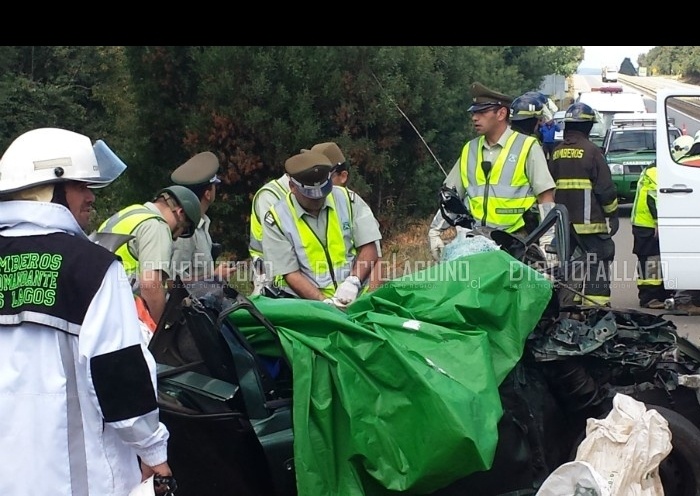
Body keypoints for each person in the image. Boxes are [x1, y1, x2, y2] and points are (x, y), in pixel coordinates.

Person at [0, 127, 172, 494]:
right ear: (48, 189)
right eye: (81, 185)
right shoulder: (94, 268)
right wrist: (155, 453)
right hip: (83, 477)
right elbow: (119, 374)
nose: (91, 197)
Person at [428, 82, 556, 262]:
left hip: (515, 244)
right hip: (474, 243)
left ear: (501, 113)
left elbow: (545, 198)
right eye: (473, 112)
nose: (474, 118)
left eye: (481, 112)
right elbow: (451, 198)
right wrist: (435, 232)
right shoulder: (469, 149)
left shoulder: (527, 147)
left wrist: (548, 243)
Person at [261, 151, 382, 305]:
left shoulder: (347, 199)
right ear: (292, 186)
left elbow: (370, 246)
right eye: (310, 194)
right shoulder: (277, 219)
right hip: (314, 308)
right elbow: (290, 273)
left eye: (323, 191)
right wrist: (324, 302)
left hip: (358, 299)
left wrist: (354, 281)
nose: (318, 198)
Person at [96, 184, 201, 330]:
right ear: (180, 212)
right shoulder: (156, 226)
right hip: (124, 318)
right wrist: (161, 330)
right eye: (183, 229)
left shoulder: (130, 213)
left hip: (100, 311)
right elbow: (151, 286)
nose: (176, 238)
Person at [549, 102, 619, 308]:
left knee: (569, 264)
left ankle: (570, 303)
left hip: (563, 224)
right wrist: (612, 214)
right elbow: (605, 188)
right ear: (588, 127)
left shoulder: (556, 151)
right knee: (600, 256)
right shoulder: (591, 151)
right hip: (589, 223)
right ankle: (596, 306)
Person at [306, 141, 385, 291]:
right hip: (317, 306)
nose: (317, 184)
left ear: (342, 176)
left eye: (324, 177)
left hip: (355, 301)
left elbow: (375, 258)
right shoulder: (303, 206)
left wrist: (369, 302)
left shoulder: (353, 204)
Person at [170, 151, 237, 282]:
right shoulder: (185, 233)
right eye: (214, 186)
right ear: (207, 194)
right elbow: (173, 282)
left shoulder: (201, 223)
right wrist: (214, 277)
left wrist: (214, 273)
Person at [630, 163, 672, 309]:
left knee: (650, 259)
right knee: (651, 260)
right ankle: (649, 298)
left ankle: (655, 295)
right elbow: (652, 197)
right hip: (647, 224)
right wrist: (658, 221)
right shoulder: (656, 171)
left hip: (643, 223)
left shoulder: (652, 169)